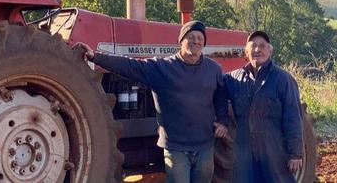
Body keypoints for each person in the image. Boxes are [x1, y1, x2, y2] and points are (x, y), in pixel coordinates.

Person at [73, 20, 228, 183]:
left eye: (199, 38)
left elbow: (221, 97)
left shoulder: (214, 69)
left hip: (205, 146)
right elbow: (131, 66)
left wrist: (223, 121)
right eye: (190, 37)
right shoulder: (163, 68)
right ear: (181, 40)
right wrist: (96, 57)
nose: (195, 41)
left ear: (203, 42)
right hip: (176, 147)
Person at [224, 30, 304, 183]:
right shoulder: (232, 78)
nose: (257, 50)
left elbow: (293, 118)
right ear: (246, 51)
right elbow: (216, 96)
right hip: (245, 153)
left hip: (274, 150)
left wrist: (295, 154)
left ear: (270, 50)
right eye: (253, 46)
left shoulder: (283, 80)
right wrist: (221, 120)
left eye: (262, 46)